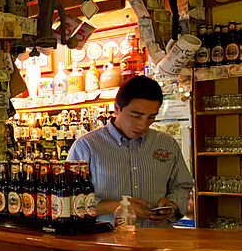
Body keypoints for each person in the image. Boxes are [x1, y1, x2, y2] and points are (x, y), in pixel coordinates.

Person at [67, 75, 194, 227]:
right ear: (117, 109)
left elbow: (182, 186)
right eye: (136, 116)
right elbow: (70, 198)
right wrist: (120, 207)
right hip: (107, 244)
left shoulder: (166, 143)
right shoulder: (86, 146)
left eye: (151, 117)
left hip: (157, 242)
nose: (143, 125)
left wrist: (172, 206)